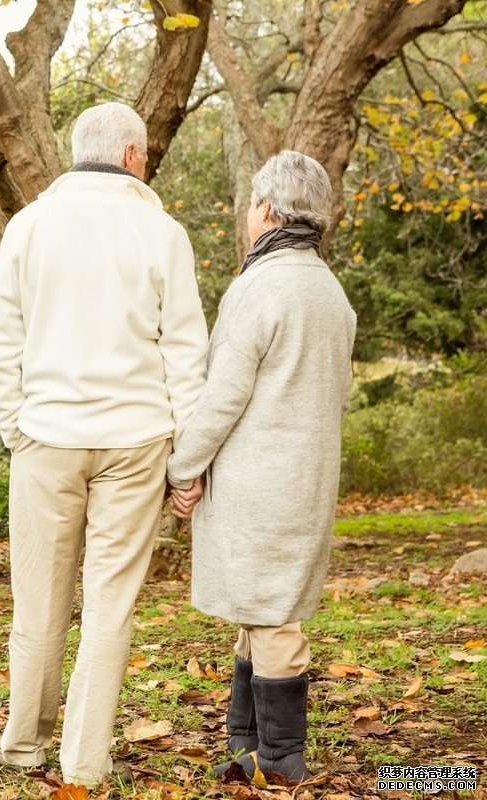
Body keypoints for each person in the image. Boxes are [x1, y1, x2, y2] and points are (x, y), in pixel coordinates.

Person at [0, 102, 208, 786]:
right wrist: (187, 464)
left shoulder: (30, 226)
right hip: (137, 438)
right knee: (110, 605)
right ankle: (83, 760)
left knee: (40, 599)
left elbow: (2, 339)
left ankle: (24, 744)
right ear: (133, 155)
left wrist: (16, 427)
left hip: (48, 435)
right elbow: (186, 353)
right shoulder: (162, 232)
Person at [167, 150, 357, 783]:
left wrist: (183, 467)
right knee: (263, 610)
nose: (247, 214)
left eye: (251, 203)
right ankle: (245, 749)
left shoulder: (259, 286)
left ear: (269, 211)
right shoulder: (330, 292)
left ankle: (280, 762)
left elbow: (224, 395)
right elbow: (340, 391)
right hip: (308, 476)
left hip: (260, 481)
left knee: (272, 618)